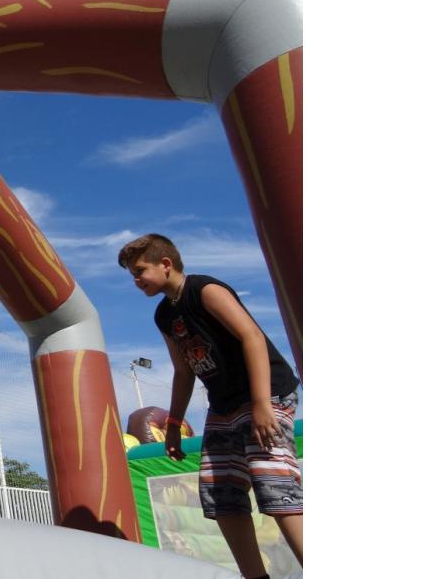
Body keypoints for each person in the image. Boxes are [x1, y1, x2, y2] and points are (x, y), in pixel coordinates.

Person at [118, 234, 302, 579]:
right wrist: (173, 422)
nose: (136, 279)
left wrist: (262, 403)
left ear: (166, 265)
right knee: (221, 493)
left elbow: (252, 336)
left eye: (140, 270)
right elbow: (184, 369)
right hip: (224, 405)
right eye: (132, 274)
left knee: (273, 484)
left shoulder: (205, 290)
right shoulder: (163, 315)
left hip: (267, 392)